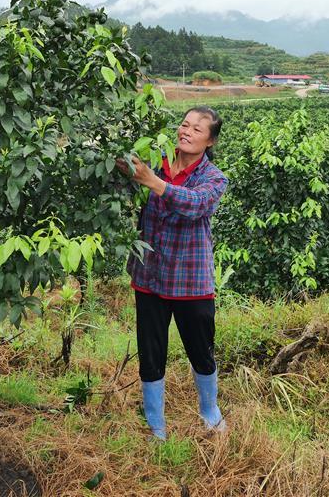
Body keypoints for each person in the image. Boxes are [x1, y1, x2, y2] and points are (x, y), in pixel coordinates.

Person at [115, 106, 228, 441]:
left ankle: (210, 414)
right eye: (184, 125)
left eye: (197, 129)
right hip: (149, 277)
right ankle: (156, 427)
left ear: (209, 141)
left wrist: (154, 181)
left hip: (190, 281)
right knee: (151, 353)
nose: (187, 132)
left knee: (201, 351)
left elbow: (195, 204)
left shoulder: (214, 178)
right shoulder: (157, 160)